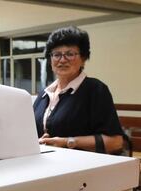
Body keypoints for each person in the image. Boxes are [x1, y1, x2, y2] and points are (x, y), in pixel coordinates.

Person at [33, 26, 124, 154]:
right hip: (47, 167)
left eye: (70, 54)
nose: (62, 60)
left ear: (83, 59)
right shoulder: (44, 94)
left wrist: (68, 142)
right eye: (57, 54)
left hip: (83, 168)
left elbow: (115, 142)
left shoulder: (95, 89)